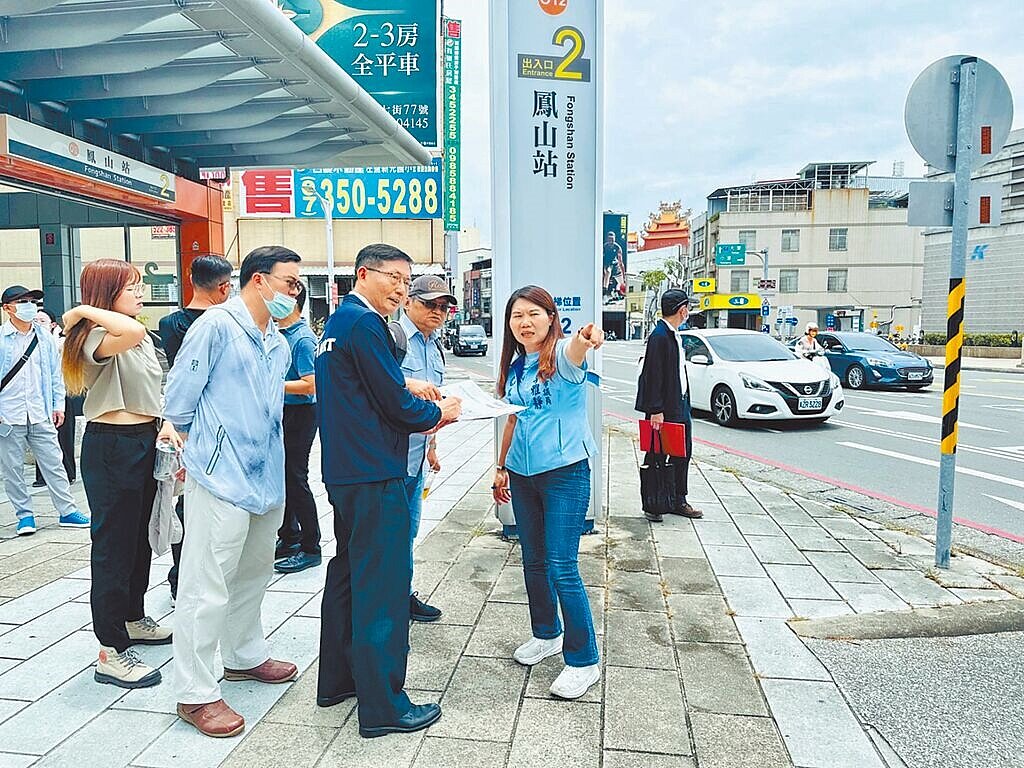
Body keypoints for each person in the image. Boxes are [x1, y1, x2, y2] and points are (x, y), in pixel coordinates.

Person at [316, 243, 461, 739]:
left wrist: (406, 384)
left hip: (346, 471)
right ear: (363, 274)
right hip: (375, 471)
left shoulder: (339, 323)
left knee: (349, 575)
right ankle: (384, 706)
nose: (400, 288)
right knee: (383, 586)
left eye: (405, 280)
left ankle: (338, 681)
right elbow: (395, 407)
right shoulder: (366, 324)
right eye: (392, 277)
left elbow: (367, 387)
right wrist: (440, 412)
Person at [162, 246, 302, 738]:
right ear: (258, 280)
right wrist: (193, 450)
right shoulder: (216, 326)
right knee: (205, 585)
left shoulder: (277, 341)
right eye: (289, 283)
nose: (294, 293)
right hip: (219, 476)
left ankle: (243, 654)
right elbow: (180, 399)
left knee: (254, 572)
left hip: (265, 477)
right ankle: (195, 692)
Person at [61, 261, 171, 689]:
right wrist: (82, 312)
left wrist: (165, 423)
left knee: (139, 539)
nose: (140, 295)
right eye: (131, 288)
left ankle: (132, 617)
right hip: (112, 446)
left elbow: (157, 387)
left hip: (144, 440)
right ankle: (110, 648)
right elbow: (130, 332)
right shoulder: (95, 335)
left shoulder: (137, 334)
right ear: (107, 295)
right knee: (113, 547)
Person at [491, 286, 604, 701]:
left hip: (564, 474)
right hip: (523, 476)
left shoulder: (561, 357)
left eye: (534, 313)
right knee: (533, 562)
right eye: (516, 315)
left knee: (562, 567)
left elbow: (579, 348)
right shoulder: (516, 367)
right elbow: (512, 420)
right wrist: (501, 467)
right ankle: (546, 634)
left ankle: (584, 661)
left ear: (551, 317)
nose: (525, 322)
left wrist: (586, 338)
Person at [157, 254, 232, 604]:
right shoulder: (228, 323)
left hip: (184, 421)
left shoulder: (169, 323)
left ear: (190, 278)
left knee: (186, 501)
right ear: (225, 287)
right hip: (221, 420)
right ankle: (210, 578)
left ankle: (180, 579)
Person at [395, 274, 458, 621]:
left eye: (443, 307)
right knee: (391, 534)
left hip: (417, 457)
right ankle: (390, 600)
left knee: (408, 532)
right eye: (429, 304)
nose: (437, 311)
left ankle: (401, 594)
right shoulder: (393, 338)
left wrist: (432, 445)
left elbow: (433, 400)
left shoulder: (434, 346)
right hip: (392, 457)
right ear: (408, 302)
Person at [0, 286, 88, 534]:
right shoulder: (2, 339)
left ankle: (67, 511)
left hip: (40, 412)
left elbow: (54, 374)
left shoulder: (44, 337)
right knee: (13, 469)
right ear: (7, 308)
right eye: (22, 302)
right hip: (8, 415)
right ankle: (25, 516)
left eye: (32, 301)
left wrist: (58, 405)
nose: (29, 306)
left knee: (54, 463)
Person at [635, 289, 703, 523]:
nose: (688, 312)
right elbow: (653, 375)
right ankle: (654, 503)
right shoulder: (660, 336)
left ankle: (677, 500)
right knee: (657, 454)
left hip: (679, 404)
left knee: (681, 453)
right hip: (663, 409)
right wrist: (655, 410)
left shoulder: (673, 334)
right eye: (688, 308)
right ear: (682, 310)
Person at [273, 282, 322, 575]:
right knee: (285, 476)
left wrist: (273, 385)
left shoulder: (302, 339)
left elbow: (311, 385)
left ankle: (311, 546)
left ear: (293, 300)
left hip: (301, 413)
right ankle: (290, 536)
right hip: (286, 411)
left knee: (295, 477)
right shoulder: (280, 333)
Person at [31, 309, 79, 487]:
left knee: (63, 437)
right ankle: (42, 476)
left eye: (42, 321)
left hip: (61, 396)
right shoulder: (29, 341)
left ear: (53, 325)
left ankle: (67, 473)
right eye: (35, 320)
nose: (38, 324)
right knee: (40, 438)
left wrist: (53, 337)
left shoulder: (61, 342)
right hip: (39, 397)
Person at [602, 232, 625, 303]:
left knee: (621, 283)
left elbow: (620, 262)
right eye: (609, 239)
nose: (611, 241)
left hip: (615, 265)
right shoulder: (604, 247)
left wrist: (624, 274)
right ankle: (604, 292)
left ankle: (616, 292)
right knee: (608, 272)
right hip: (607, 264)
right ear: (607, 239)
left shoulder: (618, 247)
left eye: (612, 240)